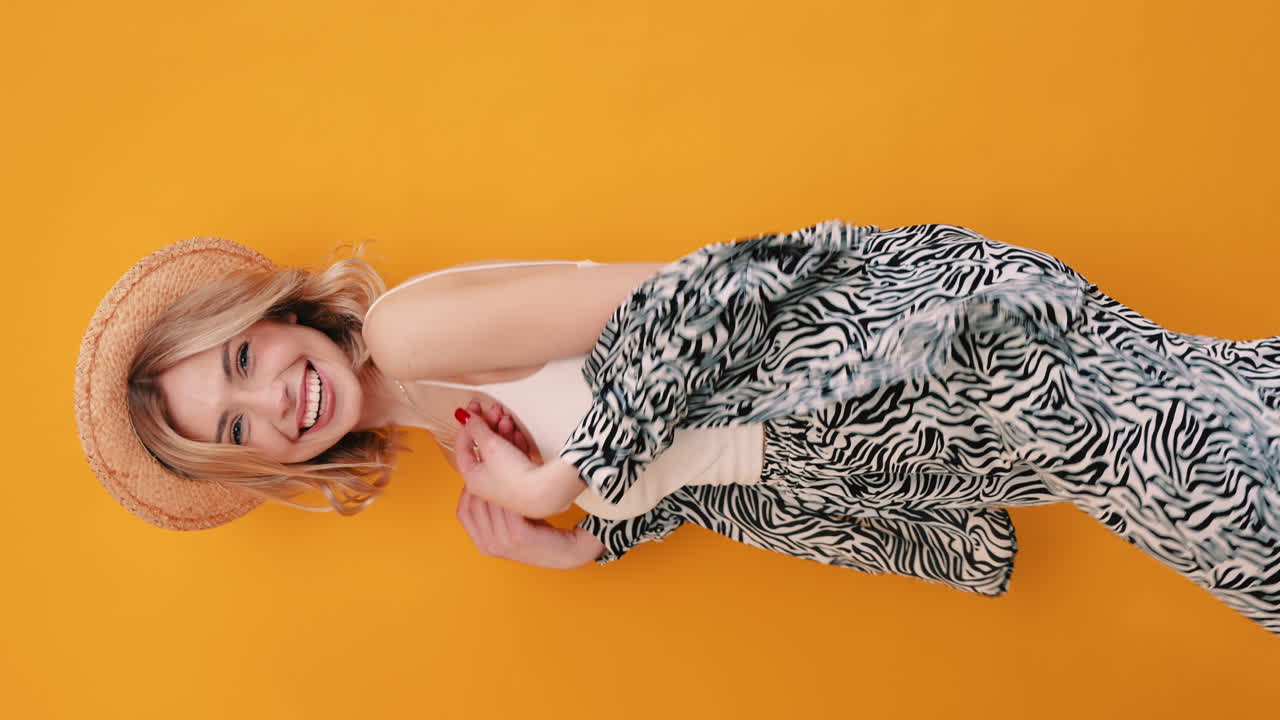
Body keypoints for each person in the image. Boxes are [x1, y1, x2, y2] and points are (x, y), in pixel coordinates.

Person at [75, 220, 1280, 634]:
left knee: (1233, 513)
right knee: (1233, 428)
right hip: (917, 441)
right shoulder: (455, 432)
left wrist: (573, 485)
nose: (273, 394)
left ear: (277, 311)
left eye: (245, 356)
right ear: (259, 464)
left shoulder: (410, 335)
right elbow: (702, 453)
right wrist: (591, 537)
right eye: (238, 423)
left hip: (908, 356)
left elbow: (697, 293)